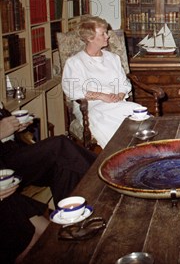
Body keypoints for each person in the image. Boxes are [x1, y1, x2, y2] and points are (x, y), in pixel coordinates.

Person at [0, 113, 95, 263]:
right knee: (60, 146)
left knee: (65, 169)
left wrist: (15, 126)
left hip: (13, 151)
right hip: (4, 164)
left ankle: (72, 222)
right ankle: (104, 172)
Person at [62, 16, 141, 148]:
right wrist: (101, 96)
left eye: (106, 33)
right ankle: (116, 156)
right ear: (90, 38)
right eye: (103, 34)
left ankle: (140, 153)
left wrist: (120, 95)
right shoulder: (75, 62)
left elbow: (123, 83)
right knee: (106, 122)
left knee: (138, 111)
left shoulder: (113, 58)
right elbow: (71, 90)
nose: (107, 37)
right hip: (90, 106)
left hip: (116, 102)